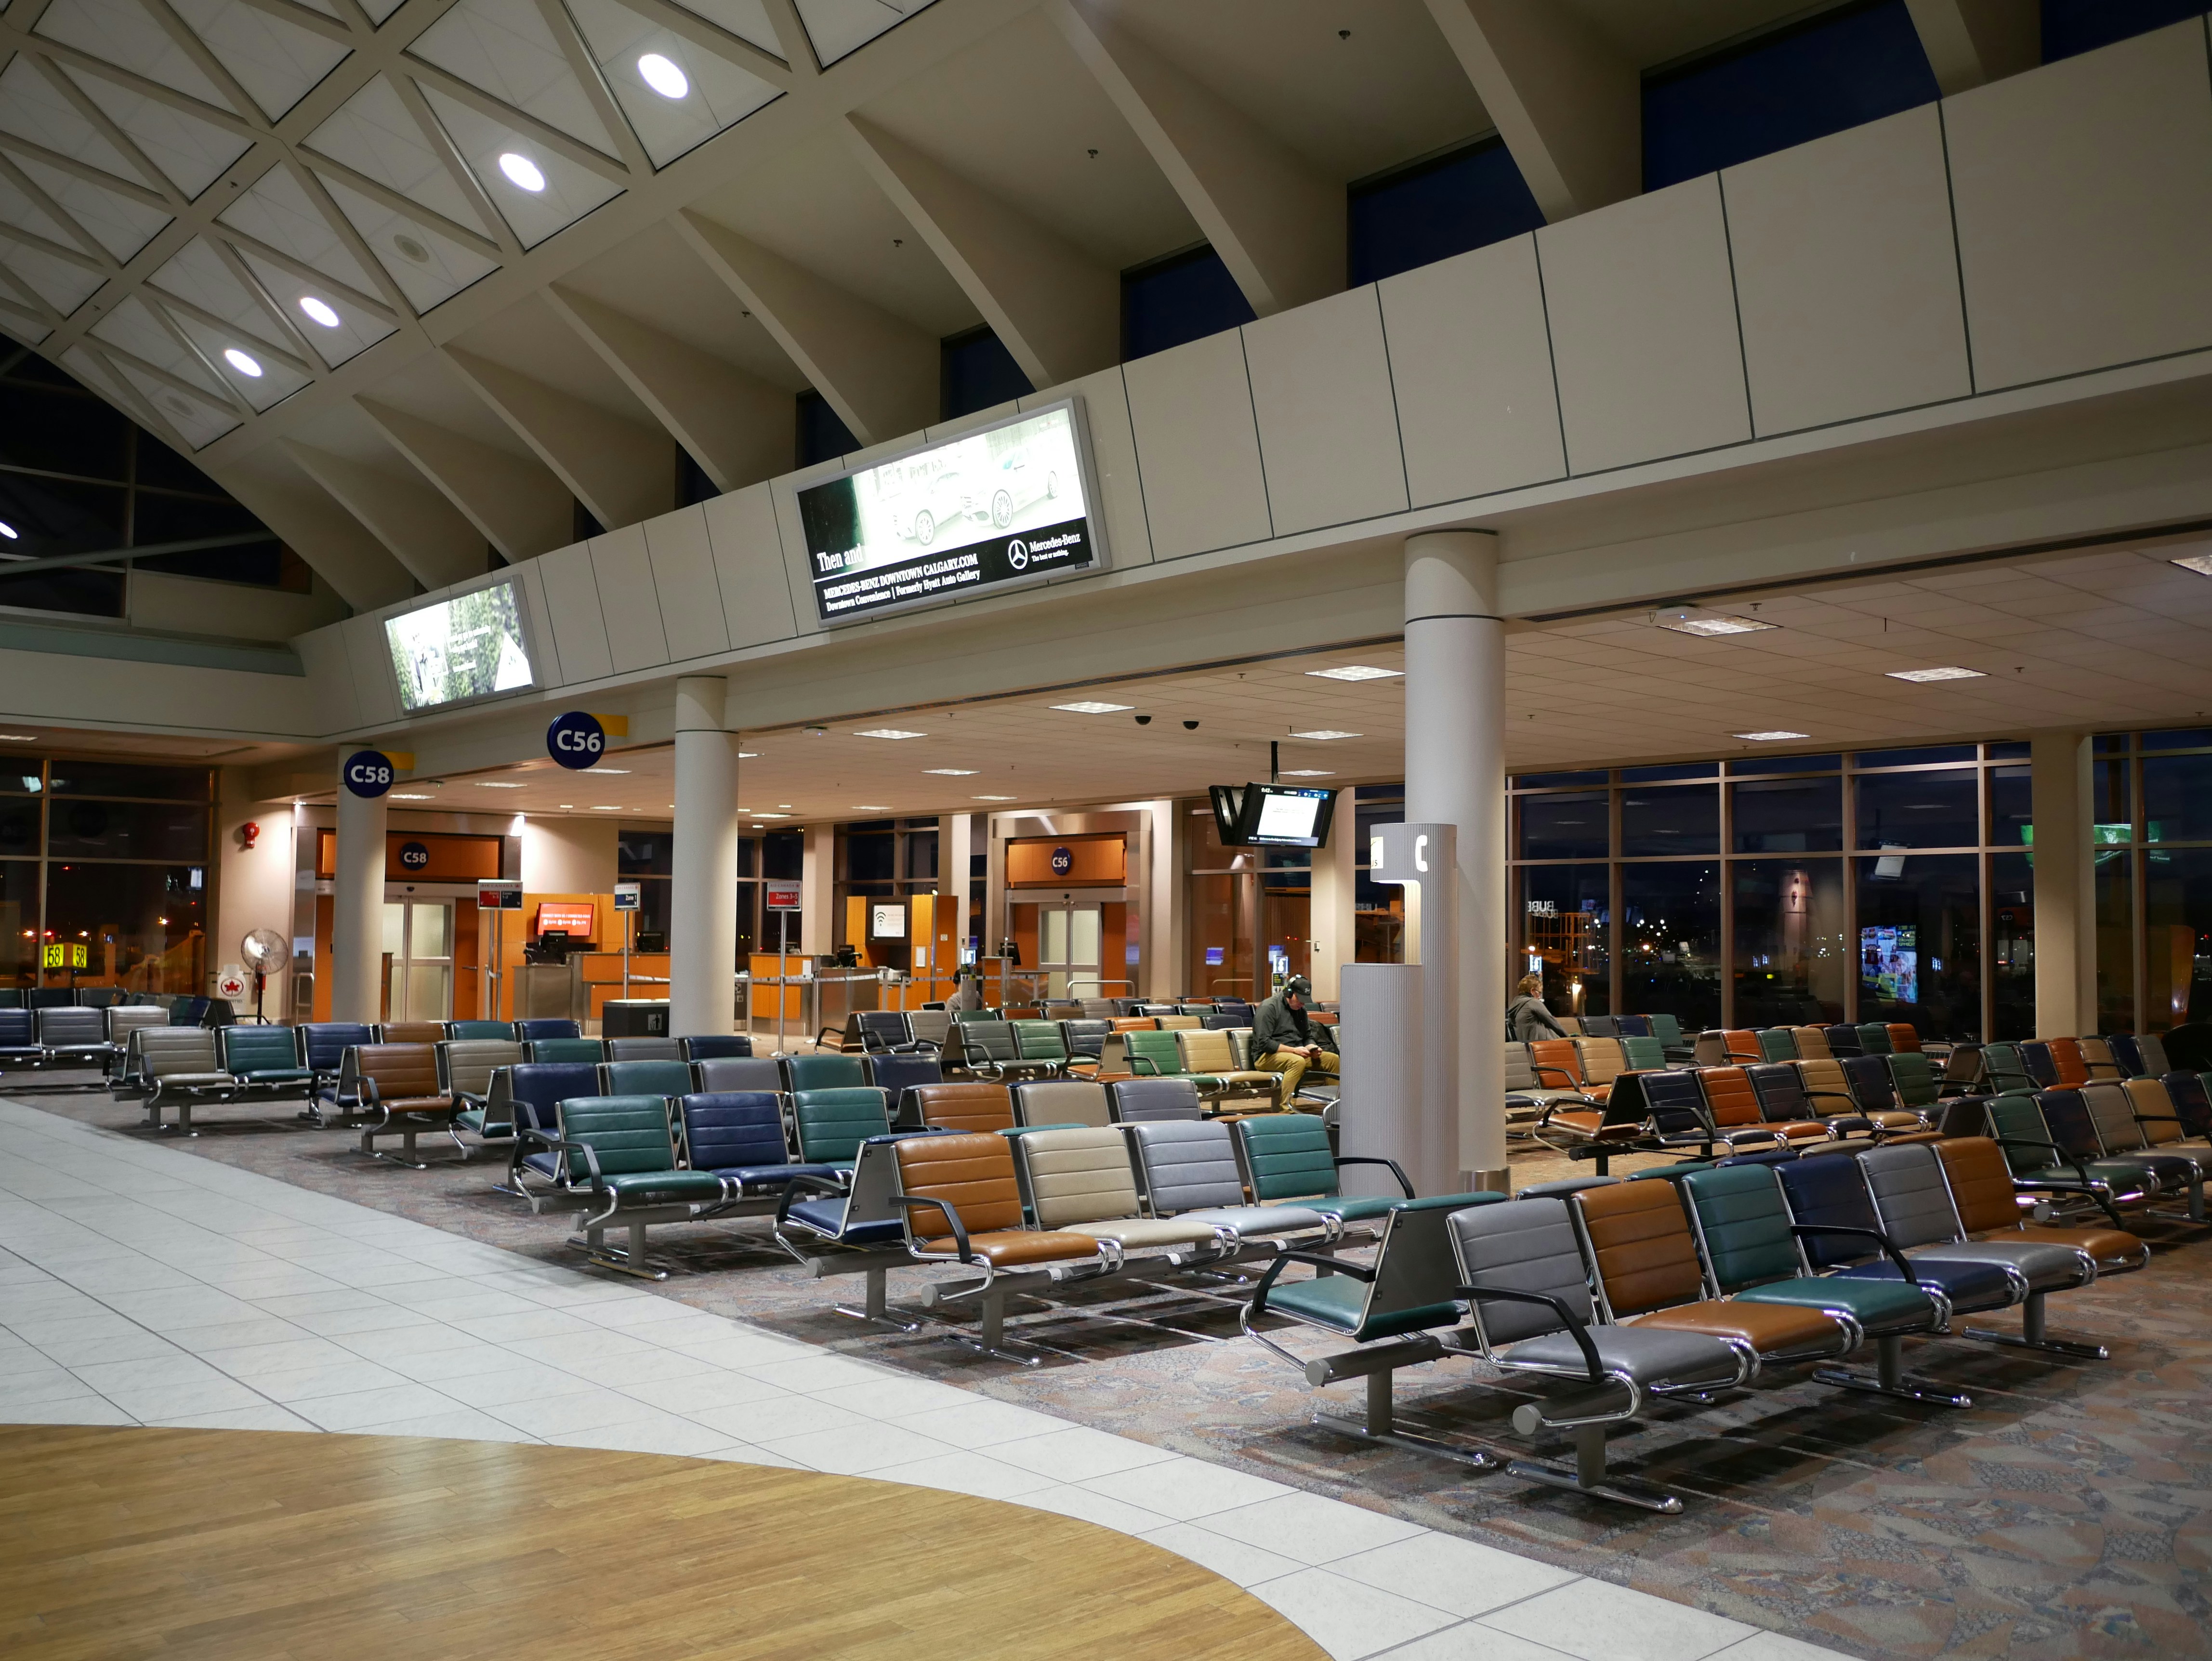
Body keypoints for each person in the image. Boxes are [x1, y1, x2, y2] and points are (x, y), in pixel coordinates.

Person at [1252, 975, 1338, 1105]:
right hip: (1266, 1056)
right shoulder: (1269, 1008)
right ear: (1289, 993)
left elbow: (1307, 1037)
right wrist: (1294, 1051)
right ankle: (1288, 1108)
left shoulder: (1300, 1010)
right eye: (1300, 999)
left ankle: (1335, 1106)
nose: (1302, 1003)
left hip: (1295, 1053)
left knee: (1333, 1060)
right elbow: (1264, 1043)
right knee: (1296, 1062)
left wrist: (1312, 1047)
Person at [1507, 972, 1568, 1042]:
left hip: (1526, 1046)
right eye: (1539, 993)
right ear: (1532, 991)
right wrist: (1569, 1039)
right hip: (1542, 1045)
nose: (1539, 997)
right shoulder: (1532, 1002)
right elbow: (1553, 1023)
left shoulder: (1515, 1005)